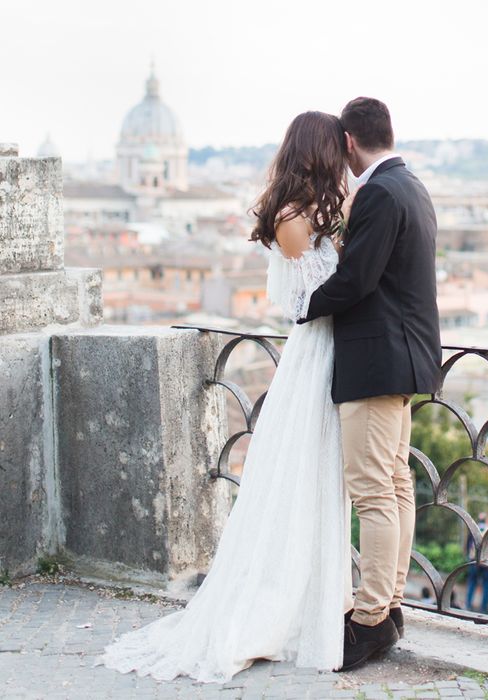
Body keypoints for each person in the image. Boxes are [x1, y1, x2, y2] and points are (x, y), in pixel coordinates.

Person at [96, 111, 352, 682]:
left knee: (317, 476)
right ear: (320, 151)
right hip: (314, 352)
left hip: (326, 352)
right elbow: (314, 296)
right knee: (299, 474)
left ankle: (314, 597)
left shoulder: (311, 212)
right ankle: (280, 608)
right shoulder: (291, 215)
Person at [298, 97, 442, 670]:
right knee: (395, 485)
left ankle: (369, 620)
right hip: (403, 359)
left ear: (351, 143)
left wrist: (303, 303)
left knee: (374, 492)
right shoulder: (412, 186)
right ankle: (390, 604)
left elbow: (357, 278)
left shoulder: (380, 192)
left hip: (377, 360)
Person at [465, 512, 488, 613]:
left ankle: (468, 604)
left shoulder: (473, 529)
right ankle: (484, 608)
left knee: (472, 583)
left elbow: (468, 546)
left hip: (473, 561)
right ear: (487, 520)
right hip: (486, 562)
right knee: (486, 585)